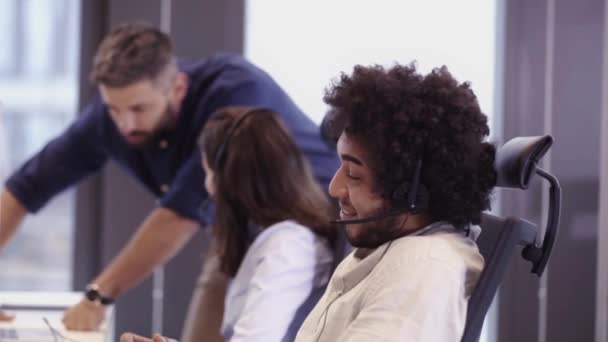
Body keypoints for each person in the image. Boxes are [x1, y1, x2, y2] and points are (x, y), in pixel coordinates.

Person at [0, 22, 338, 340]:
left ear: (177, 86)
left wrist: (97, 296)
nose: (125, 125)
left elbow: (179, 215)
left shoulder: (234, 91)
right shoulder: (113, 117)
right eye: (114, 110)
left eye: (138, 108)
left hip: (321, 227)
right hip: (239, 232)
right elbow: (25, 187)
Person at [295, 63, 496, 341]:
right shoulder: (386, 252)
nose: (334, 187)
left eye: (353, 174)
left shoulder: (421, 269)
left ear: (410, 192)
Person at [122, 106, 335, 341]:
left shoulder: (287, 247)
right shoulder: (277, 241)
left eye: (207, 172)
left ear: (227, 180)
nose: (207, 186)